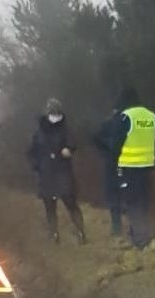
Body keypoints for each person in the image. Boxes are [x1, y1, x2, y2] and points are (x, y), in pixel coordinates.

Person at [27, 98, 87, 245]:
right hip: (46, 174)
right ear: (47, 113)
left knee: (71, 203)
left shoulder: (66, 129)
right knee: (50, 207)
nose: (55, 116)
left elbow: (73, 142)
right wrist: (36, 165)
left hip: (63, 172)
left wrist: (69, 149)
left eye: (57, 113)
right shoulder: (39, 132)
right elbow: (31, 152)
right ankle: (53, 234)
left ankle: (81, 233)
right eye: (52, 112)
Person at [110, 87, 155, 249]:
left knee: (132, 204)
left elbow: (115, 144)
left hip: (130, 168)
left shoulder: (126, 117)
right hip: (148, 166)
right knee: (145, 202)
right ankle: (149, 236)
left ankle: (140, 240)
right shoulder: (151, 116)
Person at [93, 109, 123, 237]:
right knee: (123, 196)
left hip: (113, 163)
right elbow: (96, 139)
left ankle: (117, 228)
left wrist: (106, 151)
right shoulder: (125, 122)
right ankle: (122, 227)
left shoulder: (108, 123)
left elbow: (96, 139)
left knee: (114, 196)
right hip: (126, 163)